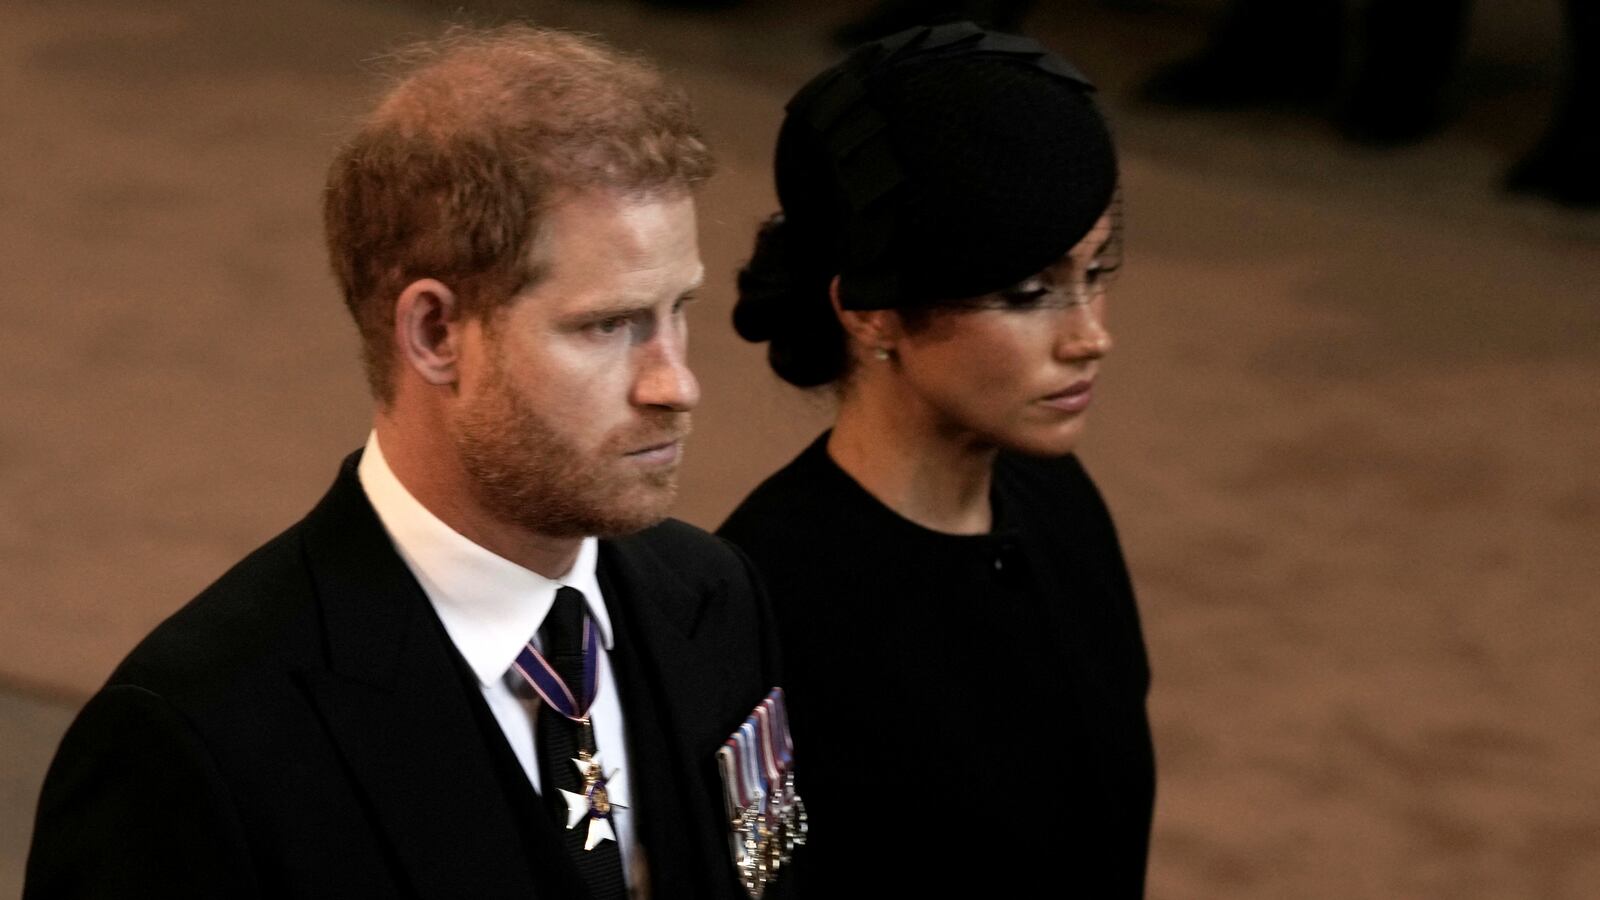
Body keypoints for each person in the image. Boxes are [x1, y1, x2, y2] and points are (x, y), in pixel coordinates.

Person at [26, 25, 799, 900]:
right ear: (434, 334)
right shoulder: (199, 740)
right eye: (608, 325)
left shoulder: (710, 596)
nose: (677, 382)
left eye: (677, 309)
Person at [717, 22, 1154, 895]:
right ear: (871, 312)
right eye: (1027, 294)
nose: (1091, 337)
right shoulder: (757, 610)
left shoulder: (1056, 495)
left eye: (1097, 272)